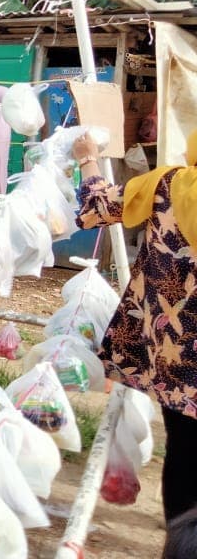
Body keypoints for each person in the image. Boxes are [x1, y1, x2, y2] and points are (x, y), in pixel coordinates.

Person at [72, 129, 197, 525]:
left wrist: (87, 158)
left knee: (185, 452)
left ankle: (183, 544)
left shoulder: (167, 184)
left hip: (178, 355)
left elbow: (95, 208)